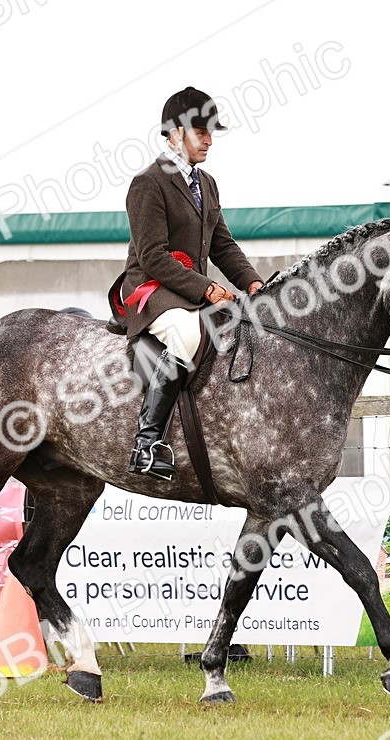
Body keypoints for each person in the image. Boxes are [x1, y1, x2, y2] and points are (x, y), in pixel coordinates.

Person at [114, 86, 265, 480]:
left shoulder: (207, 183)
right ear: (175, 133)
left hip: (189, 289)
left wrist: (252, 283)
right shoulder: (149, 182)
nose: (209, 140)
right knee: (186, 333)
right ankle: (147, 445)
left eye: (211, 132)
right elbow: (152, 256)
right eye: (200, 131)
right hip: (152, 290)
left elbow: (222, 245)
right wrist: (206, 289)